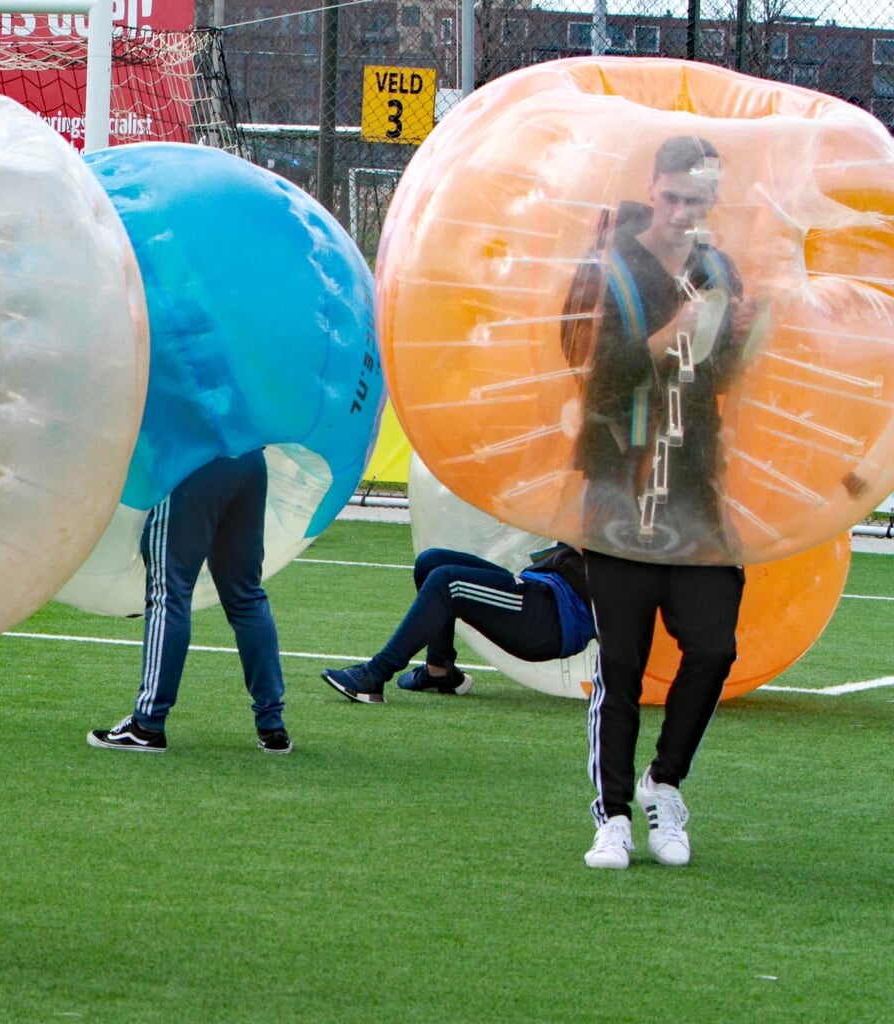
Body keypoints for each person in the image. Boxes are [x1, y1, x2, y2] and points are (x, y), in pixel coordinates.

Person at [560, 135, 753, 869]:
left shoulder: (719, 267)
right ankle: (610, 815)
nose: (680, 213)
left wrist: (742, 338)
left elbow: (723, 375)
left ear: (713, 203)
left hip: (697, 486)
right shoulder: (606, 265)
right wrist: (663, 338)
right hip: (619, 483)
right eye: (671, 198)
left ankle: (662, 784)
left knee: (712, 647)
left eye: (696, 203)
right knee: (624, 662)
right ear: (653, 187)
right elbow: (585, 369)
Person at [87, 449, 292, 756]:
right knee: (246, 595)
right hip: (247, 456)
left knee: (168, 595)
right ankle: (272, 725)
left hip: (191, 458)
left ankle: (147, 725)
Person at [320, 544, 593, 704]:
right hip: (542, 586)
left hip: (551, 619)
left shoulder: (625, 524)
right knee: (432, 561)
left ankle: (374, 675)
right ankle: (440, 672)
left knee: (448, 582)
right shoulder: (598, 489)